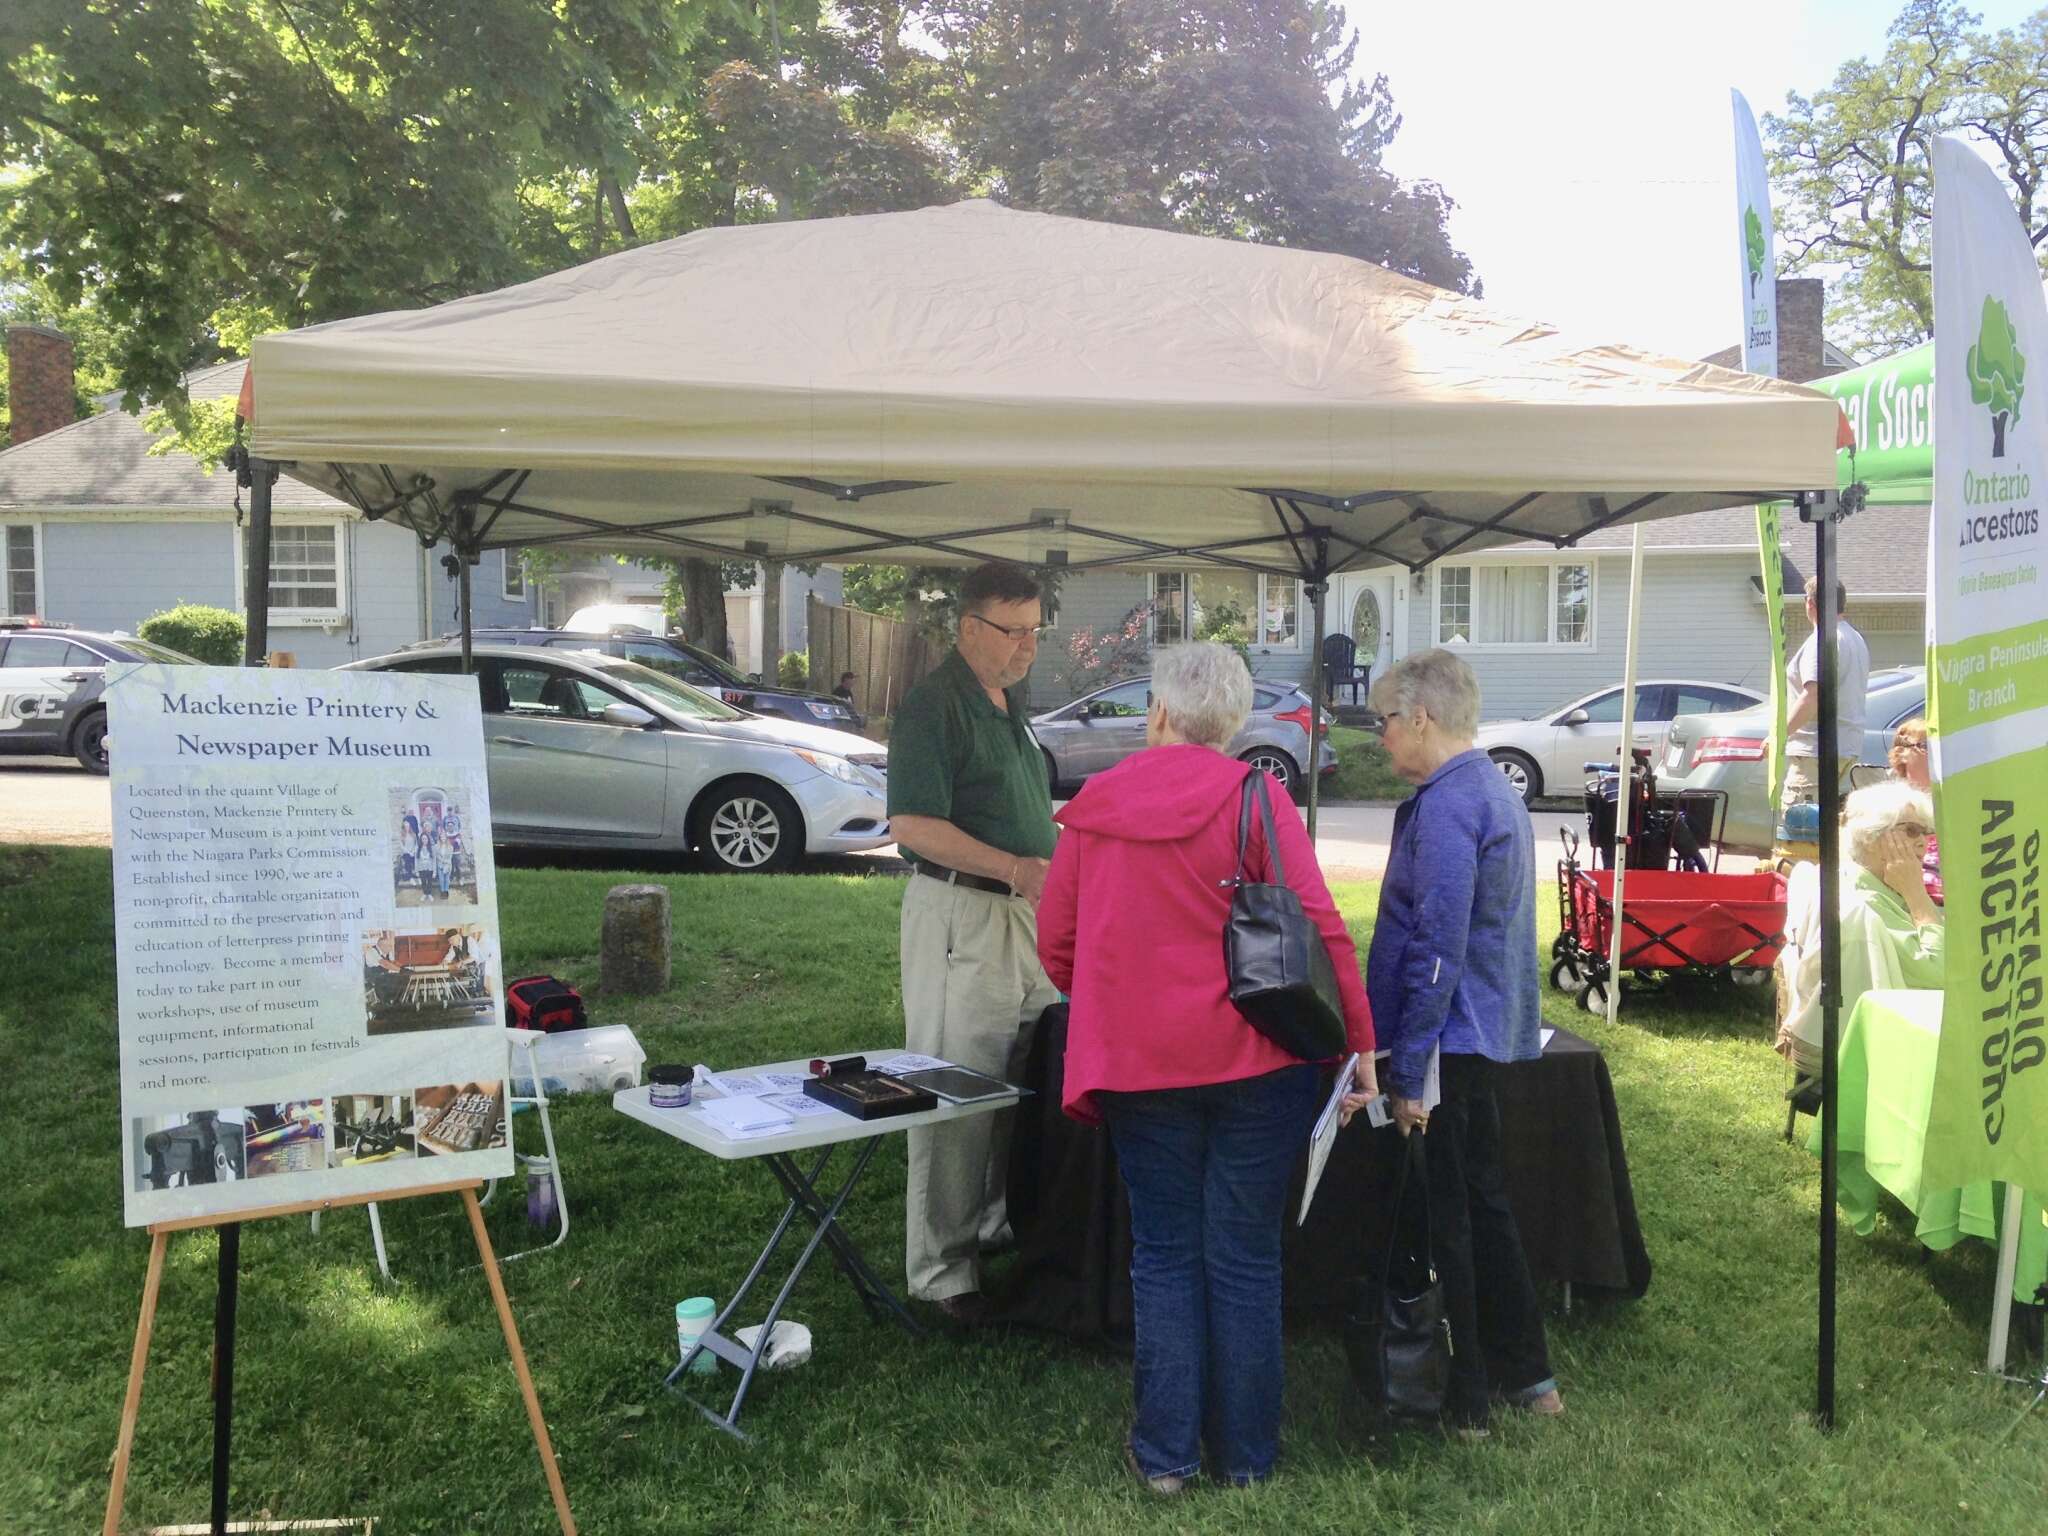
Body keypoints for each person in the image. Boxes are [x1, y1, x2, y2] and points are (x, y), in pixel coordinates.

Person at [1037, 642, 1376, 1493]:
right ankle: (1250, 1460)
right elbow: (1322, 931)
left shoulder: (1092, 807)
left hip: (1142, 1069)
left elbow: (1058, 946)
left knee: (1163, 1255)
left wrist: (1126, 996)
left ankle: (1166, 1458)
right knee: (1245, 1256)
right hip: (1257, 1066)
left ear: (1156, 713)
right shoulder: (1259, 797)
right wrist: (1361, 1044)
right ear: (1233, 724)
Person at [1363, 649, 1561, 1438]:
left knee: (1457, 1214)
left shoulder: (1450, 805)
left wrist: (1408, 1069)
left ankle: (1470, 1395)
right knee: (1482, 1203)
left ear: (1421, 718)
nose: (1379, 738)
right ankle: (1529, 1374)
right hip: (1477, 1033)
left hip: (1452, 1040)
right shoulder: (1489, 789)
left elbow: (1438, 945)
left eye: (1383, 720)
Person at [887, 562, 1062, 1326]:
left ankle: (994, 1224)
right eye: (1013, 632)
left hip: (1021, 917)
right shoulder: (933, 706)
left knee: (1021, 1074)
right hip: (961, 914)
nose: (1028, 647)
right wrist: (1018, 867)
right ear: (968, 629)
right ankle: (940, 1271)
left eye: (1035, 632)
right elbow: (912, 826)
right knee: (956, 1084)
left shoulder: (1010, 699)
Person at [1776, 779, 1943, 1077]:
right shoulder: (1866, 905)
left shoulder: (1843, 878)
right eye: (1910, 830)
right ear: (1871, 836)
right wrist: (1917, 894)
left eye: (1926, 832)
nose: (1923, 842)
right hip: (1859, 1056)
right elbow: (1942, 973)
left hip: (1825, 1036)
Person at [1781, 577, 1870, 812]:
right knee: (1832, 830)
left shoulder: (1822, 639)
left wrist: (1779, 735)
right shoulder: (1854, 638)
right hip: (1847, 748)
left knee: (1800, 830)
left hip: (1814, 751)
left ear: (1810, 603)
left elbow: (1813, 696)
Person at [1887, 717, 1941, 904]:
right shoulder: (1890, 806)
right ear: (1901, 753)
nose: (1938, 754)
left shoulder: (1959, 803)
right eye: (1927, 746)